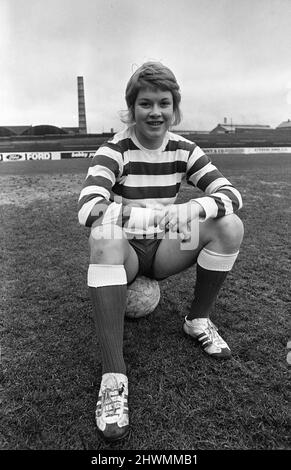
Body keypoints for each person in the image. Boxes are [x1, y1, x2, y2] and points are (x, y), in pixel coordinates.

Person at [78, 62, 244, 442]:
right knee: (103, 235)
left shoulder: (184, 149)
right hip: (129, 249)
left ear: (175, 108)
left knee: (229, 225)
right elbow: (89, 208)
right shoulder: (115, 150)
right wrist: (144, 216)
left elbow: (232, 195)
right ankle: (113, 378)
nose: (155, 112)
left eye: (164, 104)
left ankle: (197, 321)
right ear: (132, 108)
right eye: (145, 104)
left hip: (169, 243)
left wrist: (195, 208)